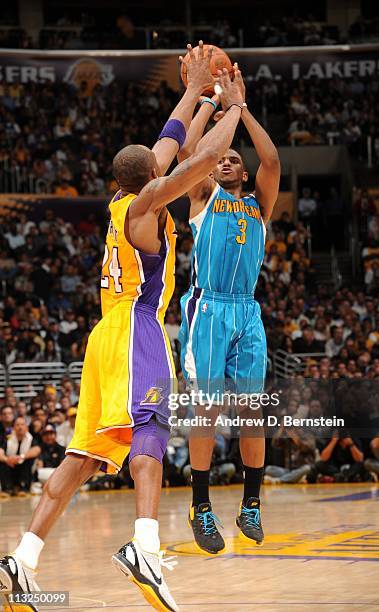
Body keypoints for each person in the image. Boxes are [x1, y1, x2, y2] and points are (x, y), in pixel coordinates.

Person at [0, 44, 245, 612]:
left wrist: (197, 95)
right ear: (153, 179)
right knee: (153, 428)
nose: (165, 164)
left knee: (83, 454)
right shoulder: (148, 204)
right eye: (161, 168)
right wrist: (233, 106)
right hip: (137, 328)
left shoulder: (124, 197)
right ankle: (144, 547)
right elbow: (201, 162)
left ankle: (22, 560)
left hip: (104, 336)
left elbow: (171, 138)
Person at [177, 65, 280, 553]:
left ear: (242, 172)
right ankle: (200, 507)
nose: (225, 162)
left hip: (247, 312)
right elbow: (188, 153)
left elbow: (273, 160)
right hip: (209, 310)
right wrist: (215, 105)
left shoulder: (259, 205)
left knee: (252, 413)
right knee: (208, 409)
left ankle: (251, 504)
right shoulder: (203, 196)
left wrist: (243, 107)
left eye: (234, 160)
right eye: (222, 158)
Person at [0, 417, 41, 496]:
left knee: (29, 460)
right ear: (14, 427)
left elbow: (37, 449)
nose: (20, 427)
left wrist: (22, 457)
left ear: (26, 427)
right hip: (10, 466)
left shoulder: (31, 438)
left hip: (24, 467)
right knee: (2, 462)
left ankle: (24, 488)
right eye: (17, 425)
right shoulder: (7, 438)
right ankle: (7, 489)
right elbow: (0, 452)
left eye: (22, 424)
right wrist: (7, 459)